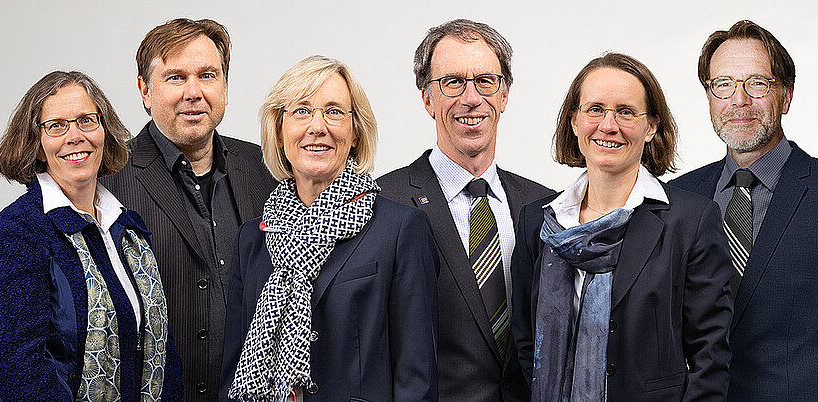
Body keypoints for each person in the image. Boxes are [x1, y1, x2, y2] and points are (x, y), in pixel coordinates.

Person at [670, 20, 818, 400]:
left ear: (786, 96)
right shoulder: (677, 196)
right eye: (723, 84)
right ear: (709, 96)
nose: (739, 100)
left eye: (757, 83)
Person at [512, 53, 734, 401]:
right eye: (595, 109)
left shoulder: (691, 221)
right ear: (574, 121)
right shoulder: (538, 222)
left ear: (651, 127)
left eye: (626, 112)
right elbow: (525, 343)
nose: (608, 125)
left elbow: (710, 356)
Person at [219, 55, 438, 401]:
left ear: (355, 133)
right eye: (301, 111)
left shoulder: (400, 230)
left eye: (334, 112)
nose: (317, 127)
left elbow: (416, 379)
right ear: (279, 132)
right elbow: (233, 373)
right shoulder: (253, 238)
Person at [0, 71, 183, 401]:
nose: (75, 136)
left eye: (87, 120)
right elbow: (21, 374)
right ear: (38, 146)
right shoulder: (17, 232)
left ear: (103, 131)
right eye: (57, 125)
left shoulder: (128, 228)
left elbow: (161, 349)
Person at [99, 18, 277, 400]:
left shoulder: (265, 168)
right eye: (176, 78)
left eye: (207, 75)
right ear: (145, 90)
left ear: (225, 88)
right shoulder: (108, 178)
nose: (193, 92)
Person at [377, 19, 553, 401]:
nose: (471, 98)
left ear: (504, 96)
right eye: (453, 82)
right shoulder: (381, 203)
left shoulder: (545, 207)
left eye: (485, 81)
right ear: (427, 99)